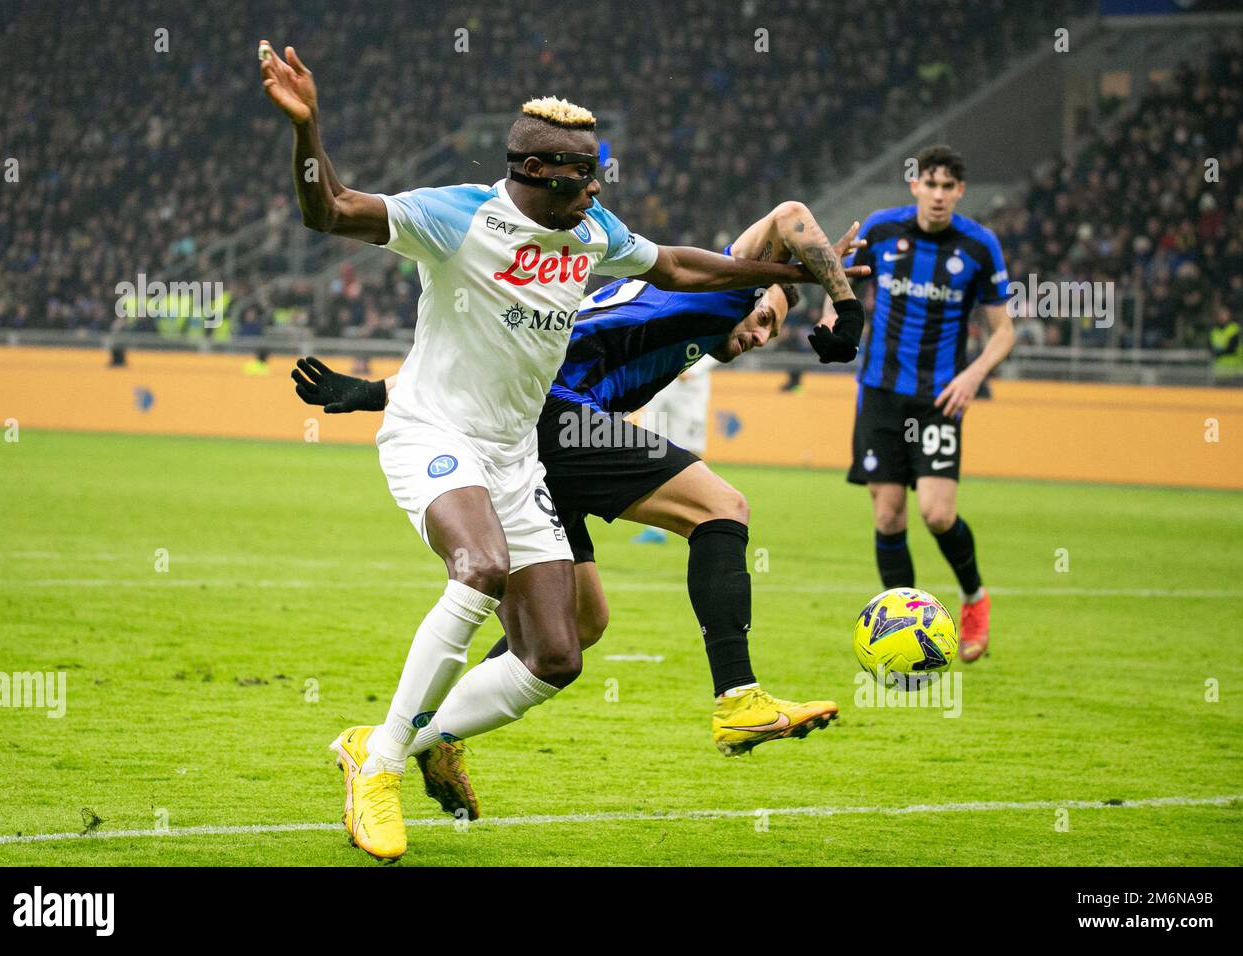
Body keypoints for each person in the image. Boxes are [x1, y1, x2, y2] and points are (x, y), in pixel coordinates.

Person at [260, 41, 836, 860]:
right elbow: (331, 209)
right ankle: (378, 761)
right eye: (582, 176)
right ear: (536, 170)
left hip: (516, 453)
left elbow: (671, 262)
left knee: (558, 655)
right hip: (434, 434)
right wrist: (307, 129)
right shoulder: (454, 216)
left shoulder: (593, 228)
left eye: (597, 174)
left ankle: (403, 743)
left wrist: (795, 272)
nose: (597, 190)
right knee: (479, 567)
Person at [294, 203, 868, 820]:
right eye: (763, 319)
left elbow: (519, 355)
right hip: (559, 420)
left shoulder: (691, 311)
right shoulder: (724, 290)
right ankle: (738, 697)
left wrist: (374, 392)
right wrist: (844, 301)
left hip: (538, 430)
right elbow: (789, 217)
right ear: (748, 286)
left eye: (772, 334)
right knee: (721, 507)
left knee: (577, 629)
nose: (759, 335)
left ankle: (414, 738)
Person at [831, 144, 1014, 663]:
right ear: (915, 186)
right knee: (889, 517)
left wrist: (974, 376)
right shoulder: (883, 231)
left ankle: (974, 597)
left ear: (959, 191)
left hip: (939, 401)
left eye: (947, 186)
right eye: (929, 184)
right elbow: (836, 276)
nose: (937, 195)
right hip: (881, 396)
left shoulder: (979, 247)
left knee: (936, 514)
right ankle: (905, 632)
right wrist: (832, 317)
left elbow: (1004, 332)